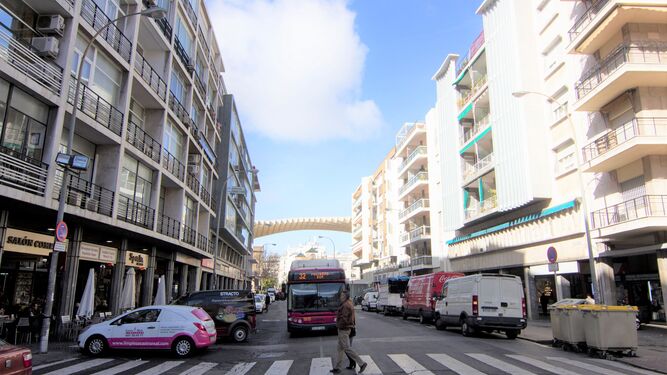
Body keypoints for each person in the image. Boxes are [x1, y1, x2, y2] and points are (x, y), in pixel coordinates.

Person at [331, 290, 366, 374]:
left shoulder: (346, 305)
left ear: (346, 297)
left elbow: (344, 319)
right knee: (340, 348)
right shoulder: (348, 303)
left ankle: (361, 363)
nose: (340, 297)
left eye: (342, 296)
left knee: (347, 348)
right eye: (340, 296)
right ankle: (337, 367)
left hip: (344, 329)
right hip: (345, 329)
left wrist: (339, 325)